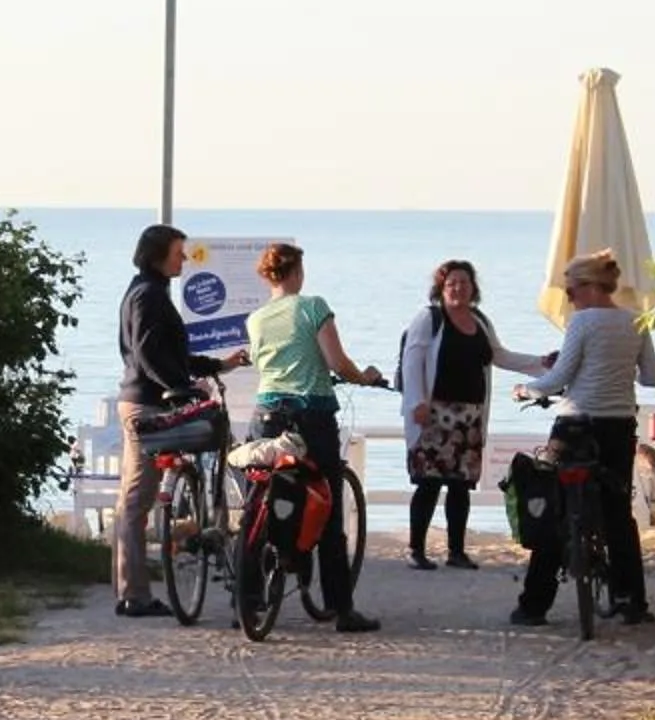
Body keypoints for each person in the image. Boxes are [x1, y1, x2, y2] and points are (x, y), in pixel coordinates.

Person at [243, 243, 390, 634]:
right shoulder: (313, 307)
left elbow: (263, 363)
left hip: (266, 417)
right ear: (297, 272)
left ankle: (248, 599)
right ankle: (342, 609)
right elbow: (336, 362)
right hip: (312, 416)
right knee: (327, 509)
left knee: (258, 504)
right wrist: (364, 377)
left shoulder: (256, 319)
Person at [512, 248, 655, 624]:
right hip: (618, 427)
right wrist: (617, 369)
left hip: (576, 425)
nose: (570, 298)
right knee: (618, 515)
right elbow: (653, 378)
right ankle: (632, 601)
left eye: (571, 290)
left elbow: (557, 380)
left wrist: (525, 389)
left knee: (555, 510)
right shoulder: (636, 321)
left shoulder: (582, 323)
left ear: (590, 286)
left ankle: (534, 606)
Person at [112, 223, 242, 618]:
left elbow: (169, 353)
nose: (184, 259)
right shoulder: (148, 296)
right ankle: (133, 595)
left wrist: (219, 365)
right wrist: (178, 388)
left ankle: (134, 585)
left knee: (135, 499)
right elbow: (148, 354)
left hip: (146, 400)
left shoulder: (148, 291)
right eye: (178, 252)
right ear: (158, 255)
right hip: (148, 406)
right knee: (136, 502)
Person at [395, 259, 553, 569]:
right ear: (441, 288)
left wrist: (542, 363)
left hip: (470, 416)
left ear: (473, 288)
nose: (458, 288)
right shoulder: (429, 318)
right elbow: (412, 362)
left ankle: (456, 551)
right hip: (434, 414)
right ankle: (416, 550)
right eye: (451, 283)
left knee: (460, 485)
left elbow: (499, 355)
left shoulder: (480, 320)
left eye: (464, 283)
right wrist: (417, 403)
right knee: (427, 483)